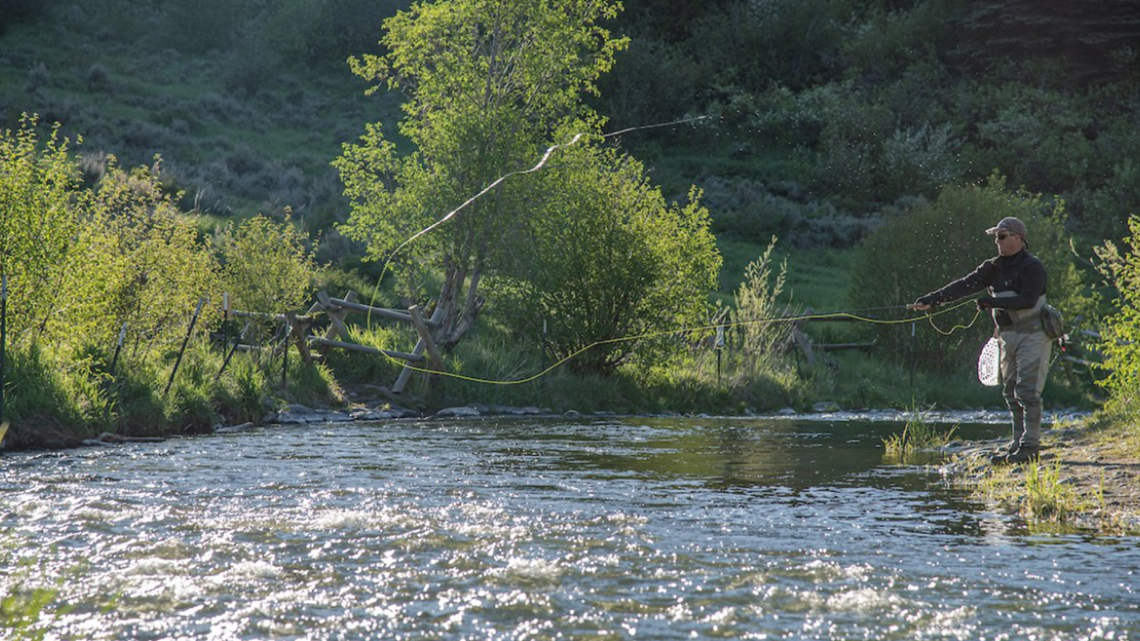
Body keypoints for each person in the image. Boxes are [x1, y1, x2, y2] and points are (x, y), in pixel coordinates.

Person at [909, 217, 1050, 464]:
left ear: (1019, 238)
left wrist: (991, 302)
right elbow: (964, 285)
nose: (998, 241)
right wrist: (933, 299)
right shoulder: (993, 267)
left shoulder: (1032, 266)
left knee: (1027, 391)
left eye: (1002, 236)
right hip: (1007, 336)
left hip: (1034, 335)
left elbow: (1028, 300)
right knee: (1010, 392)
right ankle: (1018, 445)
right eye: (996, 237)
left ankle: (1031, 446)